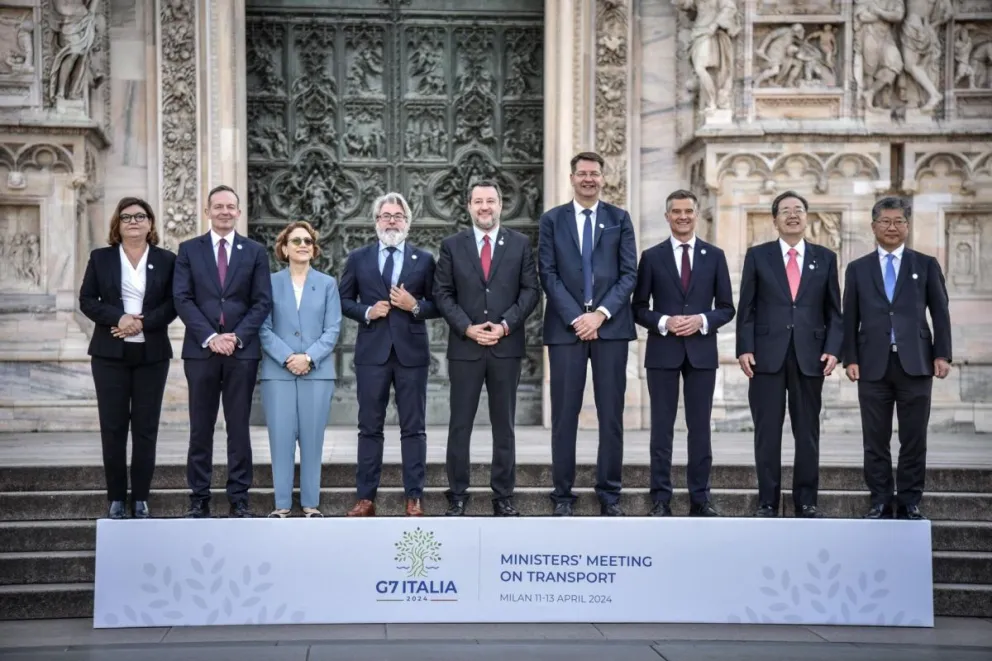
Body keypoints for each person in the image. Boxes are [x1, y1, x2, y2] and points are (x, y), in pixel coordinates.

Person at [538, 151, 638, 517]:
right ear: (571, 177)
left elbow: (630, 273)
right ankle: (562, 494)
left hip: (610, 329)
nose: (588, 179)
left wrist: (599, 315)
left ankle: (609, 493)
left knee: (611, 414)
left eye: (594, 174)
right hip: (566, 331)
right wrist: (577, 318)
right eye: (582, 174)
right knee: (566, 414)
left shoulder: (619, 219)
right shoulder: (552, 220)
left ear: (602, 178)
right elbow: (547, 273)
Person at [433, 180, 540, 517]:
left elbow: (530, 291)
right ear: (468, 206)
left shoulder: (521, 244)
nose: (484, 207)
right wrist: (467, 327)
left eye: (490, 201)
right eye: (478, 201)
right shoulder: (452, 245)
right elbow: (442, 293)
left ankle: (503, 495)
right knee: (459, 424)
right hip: (465, 347)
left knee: (504, 425)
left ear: (500, 205)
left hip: (505, 347)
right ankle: (458, 494)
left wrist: (506, 324)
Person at [842, 197, 952, 520]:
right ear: (873, 226)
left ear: (907, 225)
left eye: (899, 221)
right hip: (872, 363)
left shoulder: (926, 265)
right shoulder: (858, 269)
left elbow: (941, 313)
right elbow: (850, 317)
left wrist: (942, 354)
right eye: (885, 222)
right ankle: (879, 498)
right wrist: (850, 357)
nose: (892, 227)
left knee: (913, 437)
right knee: (874, 438)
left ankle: (909, 500)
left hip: (916, 363)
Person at [736, 190, 842, 518]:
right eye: (785, 210)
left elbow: (834, 312)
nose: (792, 215)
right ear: (775, 220)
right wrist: (744, 348)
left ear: (806, 218)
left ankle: (806, 500)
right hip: (766, 357)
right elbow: (747, 308)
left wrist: (833, 350)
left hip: (810, 357)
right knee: (767, 433)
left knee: (807, 432)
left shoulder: (825, 258)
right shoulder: (758, 256)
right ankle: (767, 500)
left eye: (798, 210)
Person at [632, 189, 735, 517]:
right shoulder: (651, 256)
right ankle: (660, 498)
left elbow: (727, 308)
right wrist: (664, 321)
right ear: (667, 216)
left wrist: (702, 320)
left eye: (688, 211)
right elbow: (638, 308)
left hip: (702, 352)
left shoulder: (714, 256)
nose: (682, 216)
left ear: (696, 214)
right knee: (661, 429)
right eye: (676, 211)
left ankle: (700, 498)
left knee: (700, 428)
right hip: (663, 351)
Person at [173, 185, 273, 518]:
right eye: (218, 206)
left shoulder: (255, 251)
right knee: (200, 426)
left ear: (239, 212)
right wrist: (210, 337)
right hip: (201, 352)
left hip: (241, 353)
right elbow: (182, 299)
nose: (225, 212)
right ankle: (199, 496)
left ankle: (239, 496)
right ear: (207, 211)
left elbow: (262, 301)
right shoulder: (188, 250)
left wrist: (235, 336)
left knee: (238, 426)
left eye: (231, 207)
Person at [339, 192, 439, 517]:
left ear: (407, 223)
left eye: (398, 216)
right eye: (386, 215)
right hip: (372, 354)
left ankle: (414, 496)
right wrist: (367, 311)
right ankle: (366, 498)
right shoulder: (358, 258)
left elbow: (440, 303)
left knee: (414, 427)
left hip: (412, 354)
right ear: (376, 221)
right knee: (370, 426)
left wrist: (416, 306)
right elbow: (342, 300)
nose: (392, 220)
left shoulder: (424, 260)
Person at [79, 197, 177, 519]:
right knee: (114, 426)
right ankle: (117, 497)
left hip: (152, 354)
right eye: (126, 217)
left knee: (146, 428)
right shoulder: (102, 258)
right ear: (117, 226)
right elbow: (86, 300)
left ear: (150, 223)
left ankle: (141, 497)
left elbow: (174, 303)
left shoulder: (167, 260)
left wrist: (142, 322)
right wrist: (118, 318)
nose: (133, 221)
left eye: (140, 216)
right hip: (109, 354)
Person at [258, 221, 341, 518]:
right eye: (296, 241)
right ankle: (281, 505)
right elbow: (263, 327)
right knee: (280, 438)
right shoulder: (268, 282)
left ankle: (310, 504)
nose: (303, 245)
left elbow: (333, 329)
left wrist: (308, 357)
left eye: (308, 241)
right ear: (284, 248)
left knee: (312, 438)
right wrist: (288, 357)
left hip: (316, 373)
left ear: (314, 249)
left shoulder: (328, 284)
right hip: (277, 372)